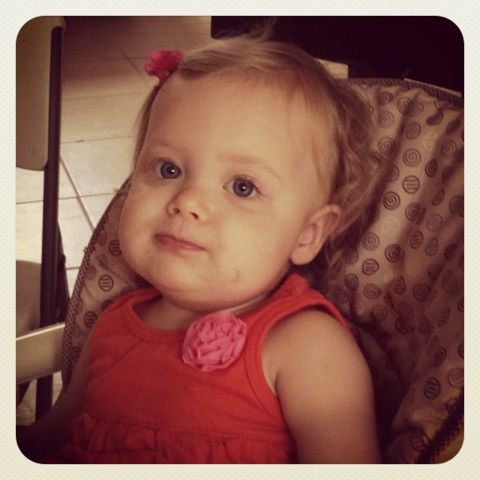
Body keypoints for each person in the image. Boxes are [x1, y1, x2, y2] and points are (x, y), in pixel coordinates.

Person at [18, 31, 385, 464]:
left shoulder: (306, 346)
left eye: (243, 186)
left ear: (307, 234)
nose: (188, 200)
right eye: (168, 169)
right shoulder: (111, 325)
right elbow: (48, 441)